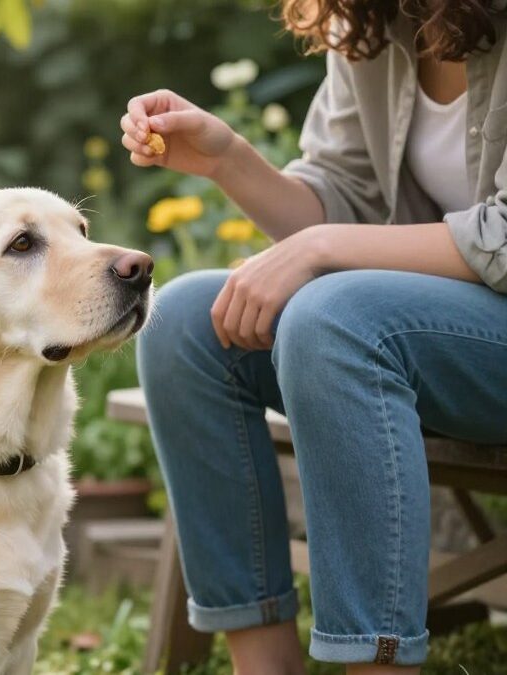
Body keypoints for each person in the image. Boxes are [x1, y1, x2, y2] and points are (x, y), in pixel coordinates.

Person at [122, 1, 507, 672]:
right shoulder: (377, 22)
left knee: (332, 315)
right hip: (443, 339)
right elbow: (344, 196)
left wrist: (325, 250)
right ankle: (265, 664)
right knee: (186, 322)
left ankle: (375, 661)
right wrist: (227, 159)